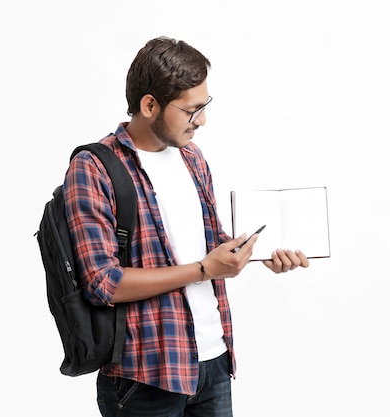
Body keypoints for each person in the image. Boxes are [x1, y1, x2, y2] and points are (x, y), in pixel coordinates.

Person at [63, 36, 309, 417]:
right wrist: (203, 270)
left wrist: (259, 254)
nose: (203, 120)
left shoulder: (192, 157)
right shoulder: (94, 168)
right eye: (192, 110)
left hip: (213, 362)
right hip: (143, 377)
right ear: (149, 105)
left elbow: (210, 246)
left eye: (204, 107)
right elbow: (102, 283)